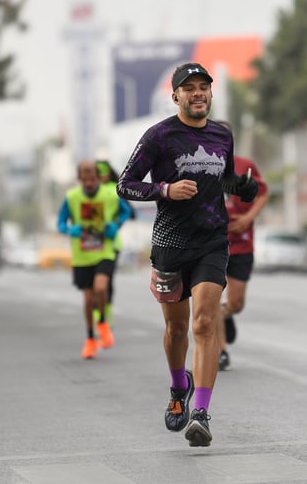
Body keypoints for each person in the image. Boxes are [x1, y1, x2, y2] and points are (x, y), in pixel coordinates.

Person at [116, 62, 259, 447]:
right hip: (170, 244)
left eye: (204, 88)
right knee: (177, 329)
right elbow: (124, 185)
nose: (198, 94)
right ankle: (180, 387)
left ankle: (201, 413)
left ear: (211, 94)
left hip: (212, 241)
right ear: (176, 96)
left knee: (204, 324)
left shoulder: (220, 136)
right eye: (189, 88)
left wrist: (241, 187)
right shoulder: (159, 136)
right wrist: (164, 190)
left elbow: (223, 177)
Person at [57, 160, 132, 360]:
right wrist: (70, 230)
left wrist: (115, 225)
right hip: (82, 255)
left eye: (93, 178)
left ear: (98, 177)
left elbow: (126, 212)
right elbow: (60, 223)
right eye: (85, 178)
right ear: (79, 178)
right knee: (88, 299)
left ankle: (103, 324)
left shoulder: (110, 195)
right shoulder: (72, 197)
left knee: (101, 288)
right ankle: (90, 338)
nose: (89, 182)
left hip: (104, 251)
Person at [214, 121, 269, 372]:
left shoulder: (244, 165)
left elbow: (263, 192)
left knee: (236, 303)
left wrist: (248, 218)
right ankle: (221, 351)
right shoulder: (197, 165)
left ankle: (226, 316)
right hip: (211, 243)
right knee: (210, 298)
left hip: (241, 244)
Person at [95, 160, 136, 325]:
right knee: (93, 283)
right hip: (91, 243)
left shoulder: (114, 191)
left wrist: (116, 224)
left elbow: (130, 212)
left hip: (111, 243)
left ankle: (105, 315)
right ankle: (98, 313)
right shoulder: (88, 192)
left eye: (102, 173)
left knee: (106, 281)